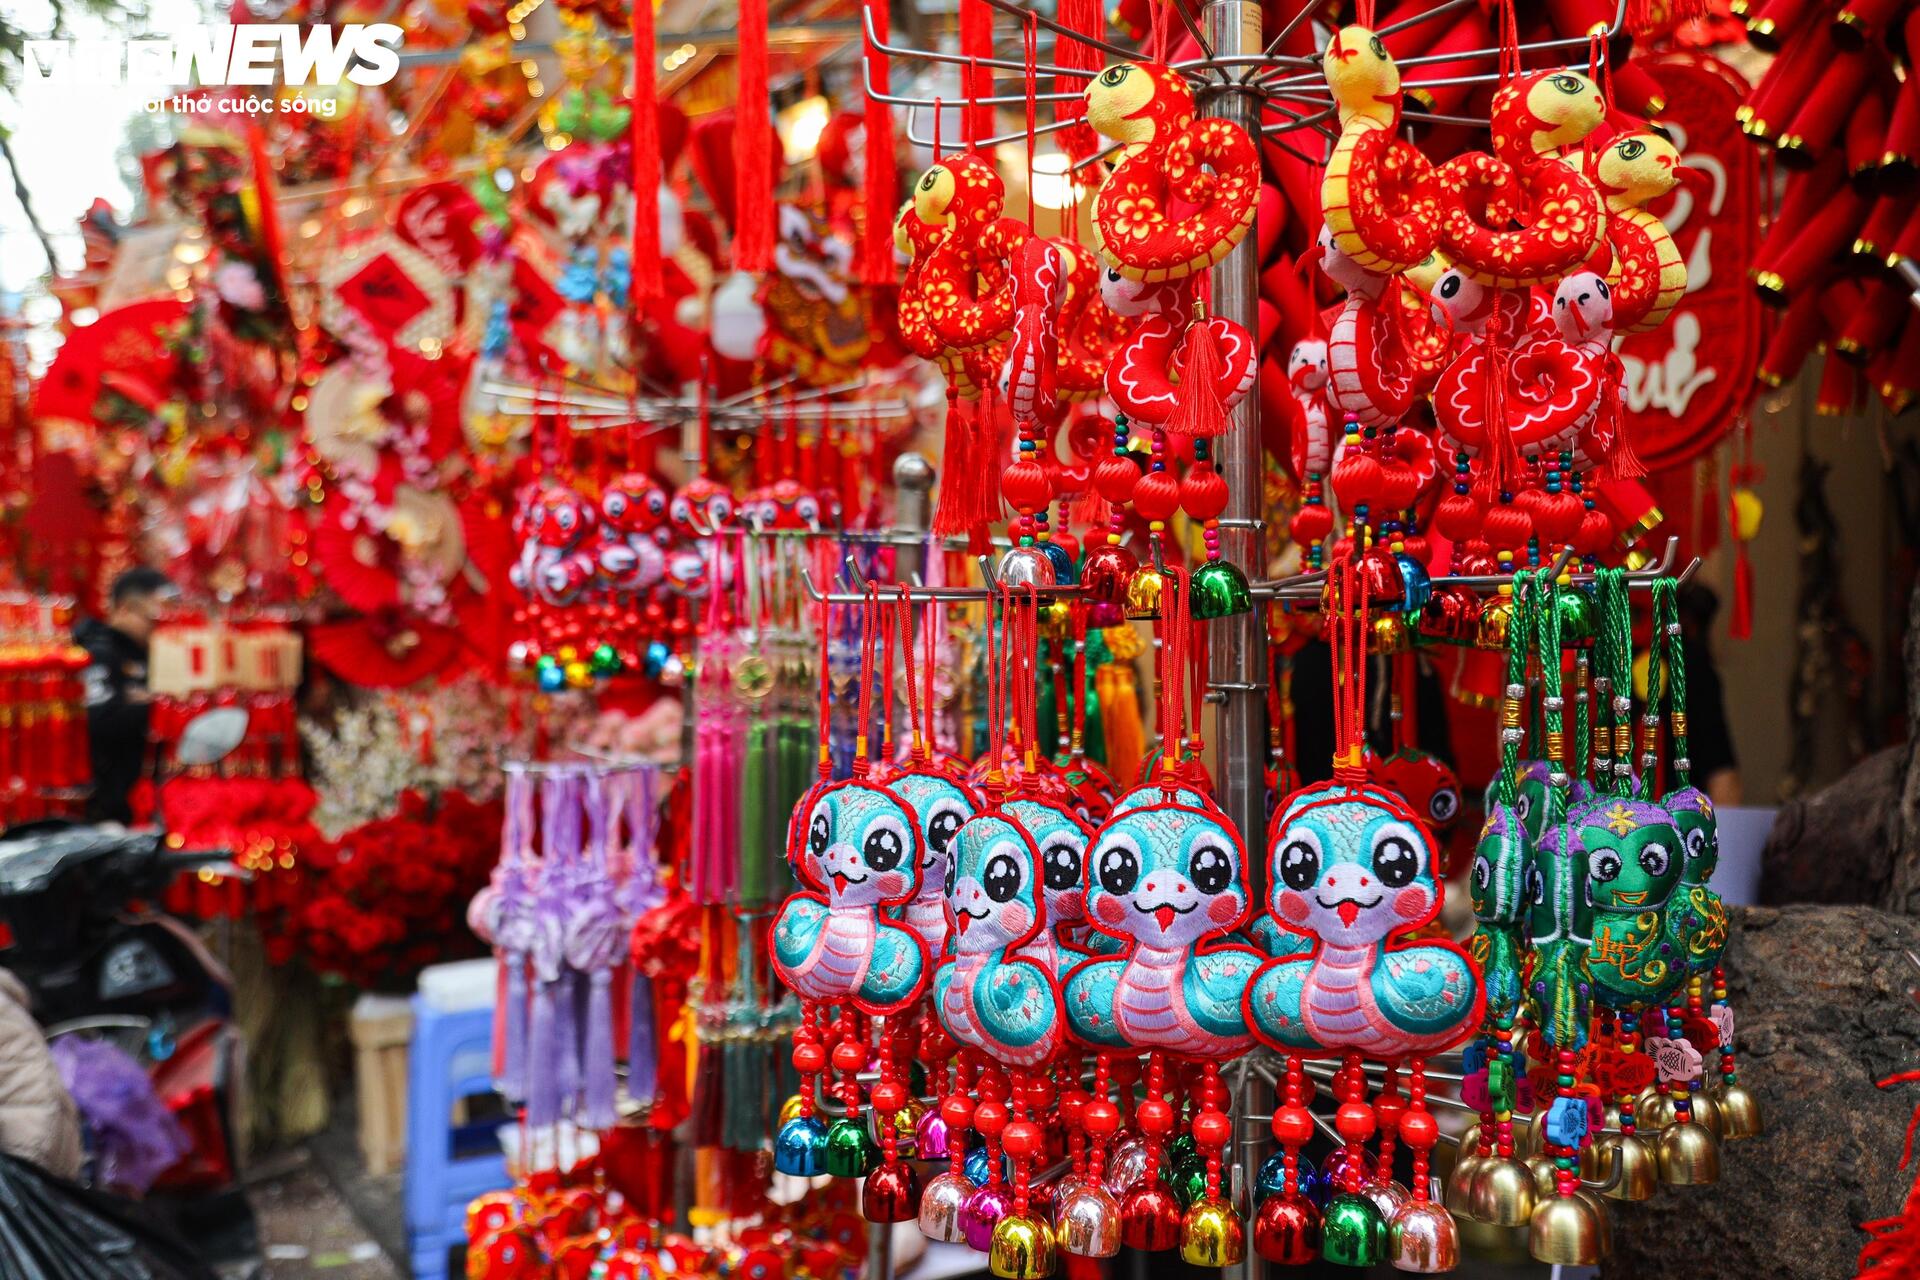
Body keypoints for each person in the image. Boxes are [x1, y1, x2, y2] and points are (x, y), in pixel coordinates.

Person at [74, 567, 175, 825]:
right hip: (108, 803)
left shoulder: (155, 654)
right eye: (154, 619)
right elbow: (97, 720)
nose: (161, 628)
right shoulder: (97, 653)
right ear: (125, 609)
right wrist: (159, 708)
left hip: (146, 796)